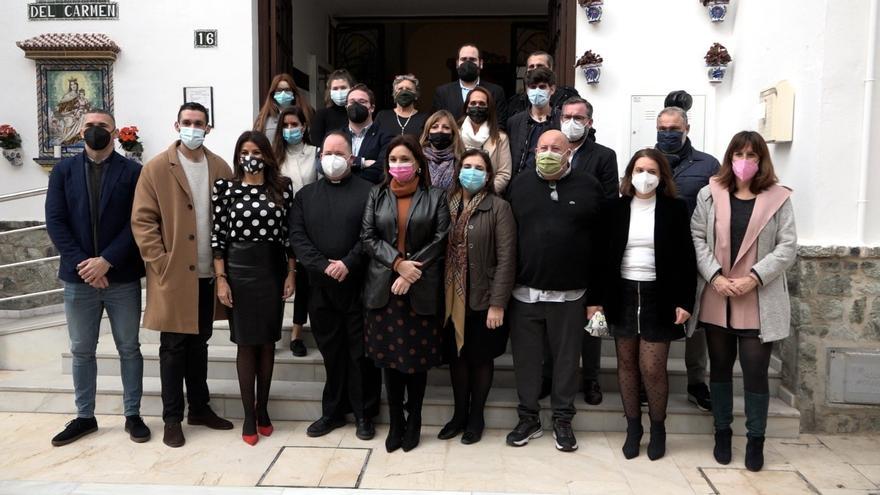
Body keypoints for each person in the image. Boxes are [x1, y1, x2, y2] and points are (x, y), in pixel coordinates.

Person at [690, 131, 797, 472]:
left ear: (762, 159)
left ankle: (756, 439)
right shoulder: (710, 194)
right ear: (729, 157)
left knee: (755, 371)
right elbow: (696, 237)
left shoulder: (779, 198)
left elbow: (787, 246)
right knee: (719, 368)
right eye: (739, 154)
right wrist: (716, 276)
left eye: (752, 155)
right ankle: (722, 432)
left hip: (757, 296)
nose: (745, 161)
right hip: (718, 294)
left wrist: (754, 278)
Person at [131, 102, 234, 448]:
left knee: (200, 343)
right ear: (177, 125)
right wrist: (159, 260)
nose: (193, 128)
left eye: (199, 123)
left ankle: (200, 408)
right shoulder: (158, 168)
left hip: (208, 273)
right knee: (173, 348)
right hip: (174, 274)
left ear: (208, 128)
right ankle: (172, 417)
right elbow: (143, 221)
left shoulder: (220, 167)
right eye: (187, 122)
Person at [45, 109, 149, 447]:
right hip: (79, 280)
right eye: (89, 126)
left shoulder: (133, 172)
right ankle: (85, 416)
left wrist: (106, 261)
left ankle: (132, 414)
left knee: (129, 348)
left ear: (115, 132)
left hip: (121, 276)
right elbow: (56, 221)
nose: (95, 131)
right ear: (80, 132)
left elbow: (138, 222)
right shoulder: (63, 171)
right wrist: (85, 266)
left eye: (102, 126)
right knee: (81, 350)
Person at [505, 129, 606, 453]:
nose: (549, 152)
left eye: (556, 148)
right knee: (527, 361)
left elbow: (600, 244)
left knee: (565, 361)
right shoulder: (518, 185)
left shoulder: (589, 186)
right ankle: (528, 417)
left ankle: (563, 418)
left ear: (569, 154)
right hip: (524, 293)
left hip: (570, 295)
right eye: (544, 147)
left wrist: (597, 299)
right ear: (535, 151)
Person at [604, 149, 696, 461]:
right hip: (623, 293)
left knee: (652, 368)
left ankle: (658, 427)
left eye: (652, 171)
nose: (645, 176)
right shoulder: (614, 208)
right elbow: (600, 258)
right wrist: (595, 301)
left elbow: (686, 257)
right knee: (627, 364)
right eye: (639, 169)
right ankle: (633, 428)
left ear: (662, 176)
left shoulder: (675, 208)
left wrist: (685, 301)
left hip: (661, 295)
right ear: (630, 174)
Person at [289, 131, 381, 441]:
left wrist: (348, 263)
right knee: (331, 352)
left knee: (359, 354)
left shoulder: (370, 191)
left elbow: (371, 235)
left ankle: (363, 413)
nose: (332, 158)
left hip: (357, 287)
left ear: (351, 159)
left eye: (339, 153)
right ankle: (333, 412)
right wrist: (323, 265)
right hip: (320, 287)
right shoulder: (305, 196)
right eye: (327, 152)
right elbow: (298, 238)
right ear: (319, 157)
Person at [361, 135, 450, 453]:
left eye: (405, 160)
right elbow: (368, 237)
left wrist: (413, 271)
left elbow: (442, 239)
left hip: (421, 289)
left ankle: (415, 422)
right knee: (389, 362)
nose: (399, 165)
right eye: (393, 160)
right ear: (387, 166)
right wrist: (398, 264)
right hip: (383, 289)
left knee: (416, 363)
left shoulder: (436, 196)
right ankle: (396, 422)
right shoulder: (377, 194)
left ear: (418, 164)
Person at [211, 131, 295, 445]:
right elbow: (218, 236)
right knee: (246, 343)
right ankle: (248, 413)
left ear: (266, 155)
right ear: (238, 155)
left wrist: (291, 273)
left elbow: (288, 236)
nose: (251, 156)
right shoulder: (225, 188)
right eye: (245, 151)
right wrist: (221, 279)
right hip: (238, 270)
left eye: (257, 151)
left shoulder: (283, 187)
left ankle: (263, 409)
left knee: (268, 343)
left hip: (272, 270)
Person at [438, 149, 516, 445]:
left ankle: (476, 417)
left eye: (479, 167)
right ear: (458, 170)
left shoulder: (499, 207)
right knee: (457, 357)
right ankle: (459, 414)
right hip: (450, 299)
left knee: (480, 358)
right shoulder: (447, 204)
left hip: (484, 298)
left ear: (488, 174)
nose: (472, 171)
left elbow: (507, 258)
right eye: (467, 166)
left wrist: (498, 303)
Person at [655, 101, 721, 412]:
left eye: (674, 130)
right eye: (663, 130)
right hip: (655, 253)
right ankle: (651, 377)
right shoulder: (647, 160)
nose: (668, 135)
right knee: (657, 318)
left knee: (696, 321)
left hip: (695, 252)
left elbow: (720, 210)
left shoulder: (708, 165)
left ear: (687, 130)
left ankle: (696, 382)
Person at [273, 105, 319, 358]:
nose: (291, 129)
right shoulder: (274, 157)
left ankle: (298, 332)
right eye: (286, 125)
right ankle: (279, 329)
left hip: (312, 223)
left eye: (295, 124)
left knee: (306, 279)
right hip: (282, 224)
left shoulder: (316, 153)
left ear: (304, 126)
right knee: (286, 276)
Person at [432, 44, 508, 127]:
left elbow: (500, 124)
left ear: (481, 63)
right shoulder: (443, 92)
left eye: (472, 59)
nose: (468, 63)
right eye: (464, 59)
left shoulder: (496, 92)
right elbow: (436, 123)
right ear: (457, 64)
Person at [507, 67, 559, 178]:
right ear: (526, 90)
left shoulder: (562, 119)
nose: (537, 91)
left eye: (542, 87)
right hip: (520, 184)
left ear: (552, 89)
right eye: (533, 87)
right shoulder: (514, 122)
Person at [460, 87, 512, 193]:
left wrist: (486, 194)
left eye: (482, 104)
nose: (477, 106)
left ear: (489, 108)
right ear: (467, 108)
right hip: (459, 195)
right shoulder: (456, 134)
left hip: (489, 196)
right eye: (473, 103)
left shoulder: (500, 138)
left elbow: (504, 174)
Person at [341, 83, 392, 184]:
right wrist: (362, 162)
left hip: (370, 195)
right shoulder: (336, 136)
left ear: (372, 108)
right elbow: (325, 165)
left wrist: (345, 169)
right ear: (346, 106)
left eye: (362, 102)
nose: (356, 105)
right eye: (352, 102)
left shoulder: (386, 137)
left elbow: (382, 169)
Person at [507, 51, 580, 118]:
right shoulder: (516, 102)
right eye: (531, 66)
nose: (535, 69)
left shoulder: (567, 96)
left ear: (550, 68)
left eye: (540, 66)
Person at [253, 73, 315, 143]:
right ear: (273, 93)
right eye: (279, 90)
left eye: (287, 90)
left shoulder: (306, 112)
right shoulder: (264, 116)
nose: (283, 93)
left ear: (293, 92)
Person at [419, 110, 465, 191]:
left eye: (446, 127)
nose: (440, 130)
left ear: (452, 134)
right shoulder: (419, 159)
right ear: (428, 132)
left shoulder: (461, 161)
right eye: (434, 127)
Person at [310, 69, 356, 147]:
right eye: (335, 88)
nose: (339, 92)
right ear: (330, 91)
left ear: (352, 89)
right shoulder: (321, 115)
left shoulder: (357, 113)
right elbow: (317, 144)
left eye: (343, 88)